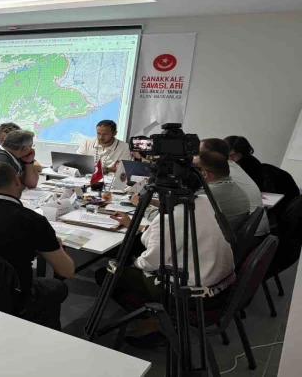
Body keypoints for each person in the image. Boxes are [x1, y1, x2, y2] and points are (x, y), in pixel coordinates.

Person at [100, 195, 236, 345]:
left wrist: (135, 262)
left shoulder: (169, 217)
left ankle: (155, 321)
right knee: (135, 252)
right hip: (219, 285)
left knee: (107, 274)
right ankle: (155, 319)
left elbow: (150, 262)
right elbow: (169, 234)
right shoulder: (205, 200)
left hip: (191, 296)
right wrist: (132, 224)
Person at [0, 162, 74, 330]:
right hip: (16, 293)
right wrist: (54, 244)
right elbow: (66, 271)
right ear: (16, 180)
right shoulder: (33, 220)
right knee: (57, 287)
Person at [200, 138, 270, 236]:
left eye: (200, 152)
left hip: (248, 233)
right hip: (250, 229)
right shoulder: (232, 166)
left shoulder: (219, 172)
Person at [0, 129, 40, 200]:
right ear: (25, 149)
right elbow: (13, 189)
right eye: (31, 146)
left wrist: (29, 162)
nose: (32, 149)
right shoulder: (1, 160)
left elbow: (31, 184)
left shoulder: (15, 155)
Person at [198, 151, 251, 232]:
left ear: (205, 174)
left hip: (216, 236)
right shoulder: (238, 188)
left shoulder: (205, 194)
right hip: (231, 235)